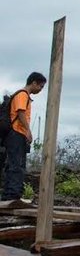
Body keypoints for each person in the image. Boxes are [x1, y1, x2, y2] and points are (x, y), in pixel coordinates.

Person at [1, 72, 47, 202]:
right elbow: (20, 112)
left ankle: (11, 194)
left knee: (15, 163)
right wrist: (28, 131)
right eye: (40, 86)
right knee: (17, 164)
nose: (40, 90)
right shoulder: (22, 94)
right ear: (34, 83)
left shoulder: (22, 95)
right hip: (16, 133)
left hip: (15, 134)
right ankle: (12, 195)